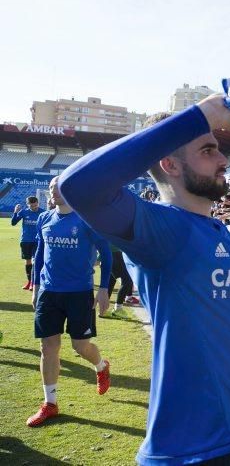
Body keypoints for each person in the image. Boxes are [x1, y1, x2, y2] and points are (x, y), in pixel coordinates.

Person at [58, 93, 230, 465]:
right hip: (192, 449)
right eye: (207, 150)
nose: (223, 159)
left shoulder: (217, 230)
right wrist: (206, 113)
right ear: (169, 164)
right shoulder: (161, 228)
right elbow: (78, 185)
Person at [27, 177, 113, 427]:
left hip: (79, 293)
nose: (53, 192)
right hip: (49, 292)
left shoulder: (87, 219)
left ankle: (100, 365)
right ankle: (50, 403)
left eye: (58, 188)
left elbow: (106, 254)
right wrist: (36, 287)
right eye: (51, 188)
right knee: (48, 347)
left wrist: (104, 288)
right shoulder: (45, 218)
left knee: (80, 347)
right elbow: (39, 255)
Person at [11, 195, 43, 290]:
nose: (33, 207)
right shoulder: (24, 212)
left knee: (35, 261)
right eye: (31, 206)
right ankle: (29, 282)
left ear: (38, 203)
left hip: (38, 241)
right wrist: (15, 212)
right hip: (25, 241)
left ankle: (35, 282)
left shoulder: (43, 212)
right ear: (27, 204)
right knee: (28, 261)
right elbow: (13, 223)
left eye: (35, 205)